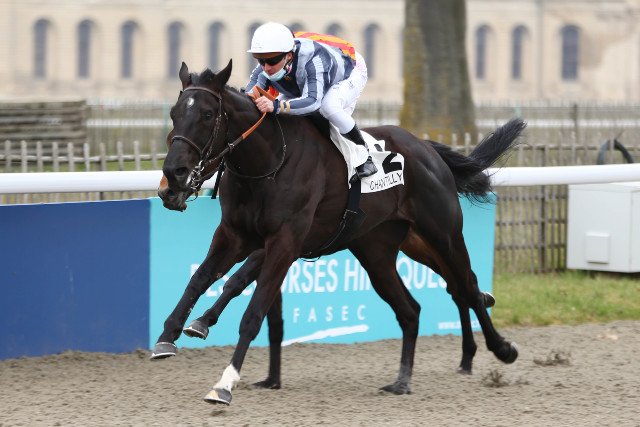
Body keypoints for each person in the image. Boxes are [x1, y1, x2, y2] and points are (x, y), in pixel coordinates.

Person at [245, 22, 377, 180]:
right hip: (307, 79)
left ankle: (364, 156)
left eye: (272, 61)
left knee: (329, 107)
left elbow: (313, 101)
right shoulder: (269, 64)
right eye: (261, 60)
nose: (266, 67)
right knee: (280, 111)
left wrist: (276, 105)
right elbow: (250, 94)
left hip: (350, 70)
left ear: (289, 55)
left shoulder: (314, 60)